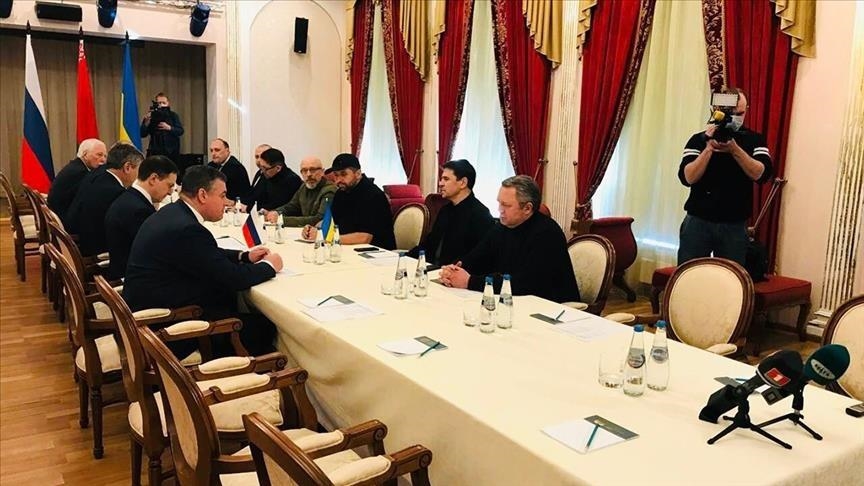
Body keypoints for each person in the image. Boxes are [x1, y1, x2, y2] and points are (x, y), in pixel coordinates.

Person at [123, 165, 283, 356]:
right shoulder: (187, 228)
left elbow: (205, 254)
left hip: (150, 311)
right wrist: (269, 266)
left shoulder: (173, 213)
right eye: (223, 196)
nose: (227, 203)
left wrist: (243, 256)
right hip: (167, 328)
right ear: (202, 195)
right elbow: (233, 278)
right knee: (265, 326)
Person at [440, 175, 580, 303]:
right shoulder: (502, 227)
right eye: (499, 203)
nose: (500, 209)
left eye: (506, 205)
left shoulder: (547, 234)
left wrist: (470, 282)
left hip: (550, 308)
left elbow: (525, 284)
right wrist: (454, 270)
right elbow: (477, 257)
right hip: (511, 301)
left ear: (527, 208)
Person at [677, 87, 773, 266]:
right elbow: (687, 177)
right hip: (698, 220)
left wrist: (735, 150)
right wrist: (708, 149)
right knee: (689, 272)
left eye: (740, 113)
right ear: (717, 111)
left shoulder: (754, 140)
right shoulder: (698, 140)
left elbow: (762, 174)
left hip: (734, 223)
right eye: (730, 113)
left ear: (747, 110)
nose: (735, 118)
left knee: (730, 275)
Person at [407, 159, 494, 266]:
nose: (440, 184)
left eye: (446, 179)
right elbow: (429, 244)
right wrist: (404, 257)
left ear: (463, 183)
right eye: (441, 179)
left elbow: (481, 258)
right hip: (431, 269)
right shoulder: (445, 210)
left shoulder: (481, 215)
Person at [104, 156, 178, 280]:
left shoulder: (130, 198)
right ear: (153, 179)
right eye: (169, 185)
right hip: (131, 278)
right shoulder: (138, 210)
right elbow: (155, 251)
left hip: (123, 270)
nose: (171, 192)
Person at [301, 153, 395, 249]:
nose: (338, 180)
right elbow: (331, 220)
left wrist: (325, 237)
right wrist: (312, 229)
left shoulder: (373, 195)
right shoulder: (341, 192)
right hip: (348, 248)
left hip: (376, 252)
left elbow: (365, 238)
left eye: (343, 174)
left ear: (358, 174)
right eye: (336, 175)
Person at [66, 142, 143, 256]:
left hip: (78, 233)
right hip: (95, 249)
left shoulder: (98, 174)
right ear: (127, 167)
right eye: (139, 170)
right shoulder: (115, 192)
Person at [265, 156, 336, 227]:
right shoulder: (304, 186)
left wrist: (282, 220)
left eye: (313, 170)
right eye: (304, 171)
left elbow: (320, 219)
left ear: (322, 172)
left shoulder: (329, 191)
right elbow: (292, 206)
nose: (308, 174)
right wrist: (275, 212)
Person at [47, 138, 107, 223]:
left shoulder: (76, 166)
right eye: (99, 155)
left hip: (59, 215)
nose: (103, 160)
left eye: (105, 156)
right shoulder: (80, 172)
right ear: (85, 154)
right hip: (64, 220)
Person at [240, 148, 301, 212]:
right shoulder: (266, 174)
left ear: (278, 168)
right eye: (261, 167)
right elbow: (256, 196)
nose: (262, 171)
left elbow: (277, 205)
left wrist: (248, 208)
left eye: (265, 168)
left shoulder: (292, 180)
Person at [139, 92, 184, 162]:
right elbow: (142, 134)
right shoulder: (151, 115)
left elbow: (180, 131)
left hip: (171, 152)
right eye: (159, 103)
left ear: (168, 103)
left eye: (164, 103)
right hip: (154, 151)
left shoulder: (173, 115)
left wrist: (169, 128)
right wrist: (146, 123)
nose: (161, 105)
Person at [207, 138, 250, 203]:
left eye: (217, 150)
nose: (213, 153)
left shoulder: (237, 168)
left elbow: (245, 195)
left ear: (227, 151)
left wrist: (233, 202)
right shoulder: (210, 166)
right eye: (211, 150)